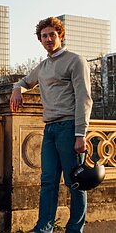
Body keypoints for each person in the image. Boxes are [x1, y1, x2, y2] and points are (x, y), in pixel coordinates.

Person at [10, 17, 93, 233]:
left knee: (75, 182)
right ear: (40, 39)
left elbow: (84, 98)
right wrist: (17, 90)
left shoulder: (75, 60)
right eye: (44, 36)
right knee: (47, 182)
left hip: (69, 128)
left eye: (52, 34)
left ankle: (75, 229)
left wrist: (80, 134)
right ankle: (44, 227)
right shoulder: (43, 66)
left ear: (60, 35)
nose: (48, 39)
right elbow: (23, 82)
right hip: (49, 130)